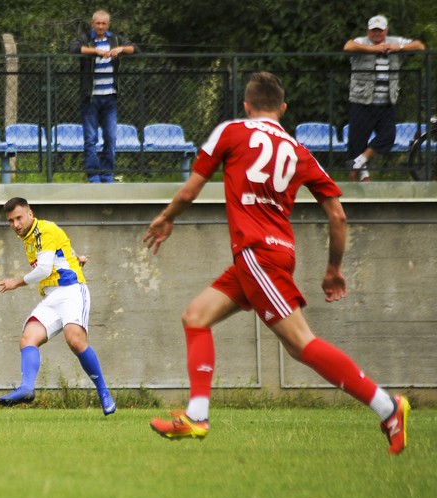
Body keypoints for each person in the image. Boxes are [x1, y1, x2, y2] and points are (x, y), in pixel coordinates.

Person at [143, 72, 409, 454]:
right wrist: (334, 267)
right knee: (196, 316)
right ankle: (196, 416)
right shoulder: (299, 150)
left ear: (247, 106)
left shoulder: (232, 131)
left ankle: (387, 407)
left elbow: (191, 189)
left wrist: (167, 217)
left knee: (302, 345)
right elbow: (337, 216)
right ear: (282, 109)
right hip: (273, 254)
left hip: (255, 254)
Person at [0, 197, 115, 415]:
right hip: (51, 297)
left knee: (75, 340)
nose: (15, 225)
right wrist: (76, 257)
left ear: (30, 213)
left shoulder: (44, 230)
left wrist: (16, 282)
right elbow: (60, 249)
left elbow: (43, 269)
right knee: (28, 337)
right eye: (11, 221)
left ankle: (104, 392)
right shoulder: (31, 236)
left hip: (71, 291)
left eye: (19, 218)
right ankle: (26, 388)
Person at [343, 15, 425, 182]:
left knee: (388, 136)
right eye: (373, 30)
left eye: (380, 31)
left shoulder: (394, 41)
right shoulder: (362, 41)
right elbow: (348, 46)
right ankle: (358, 181)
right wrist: (373, 50)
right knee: (356, 142)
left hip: (386, 102)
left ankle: (358, 162)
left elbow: (419, 46)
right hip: (361, 102)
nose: (377, 34)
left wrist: (397, 48)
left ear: (386, 31)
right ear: (368, 31)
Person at [70, 10, 136, 183]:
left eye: (103, 23)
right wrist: (96, 52)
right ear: (92, 24)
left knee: (110, 137)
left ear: (108, 25)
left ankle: (107, 174)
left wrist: (121, 49)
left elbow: (134, 48)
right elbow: (74, 49)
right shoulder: (86, 39)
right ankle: (93, 176)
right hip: (90, 98)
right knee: (91, 138)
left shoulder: (114, 39)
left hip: (110, 97)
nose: (100, 26)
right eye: (97, 23)